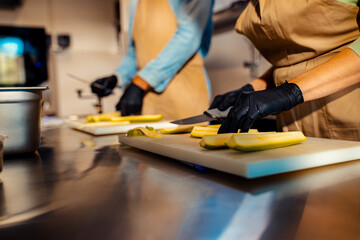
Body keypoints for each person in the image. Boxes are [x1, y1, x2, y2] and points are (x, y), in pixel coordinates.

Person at [211, 0, 360, 141]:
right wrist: (255, 87)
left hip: (348, 115)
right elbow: (297, 59)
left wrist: (290, 92)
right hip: (292, 124)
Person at [91, 0, 214, 120]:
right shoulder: (135, 2)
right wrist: (117, 77)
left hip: (184, 97)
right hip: (148, 103)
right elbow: (135, 52)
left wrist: (141, 82)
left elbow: (189, 36)